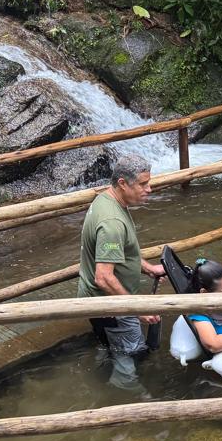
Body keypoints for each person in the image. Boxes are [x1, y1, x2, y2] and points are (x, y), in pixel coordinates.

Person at [78, 154, 166, 387]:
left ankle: (105, 361)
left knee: (113, 345)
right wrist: (137, 309)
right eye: (143, 184)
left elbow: (121, 254)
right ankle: (127, 394)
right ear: (122, 184)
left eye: (149, 182)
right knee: (130, 356)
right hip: (111, 305)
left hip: (102, 304)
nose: (149, 189)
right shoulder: (112, 223)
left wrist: (147, 268)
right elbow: (104, 277)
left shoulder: (106, 200)